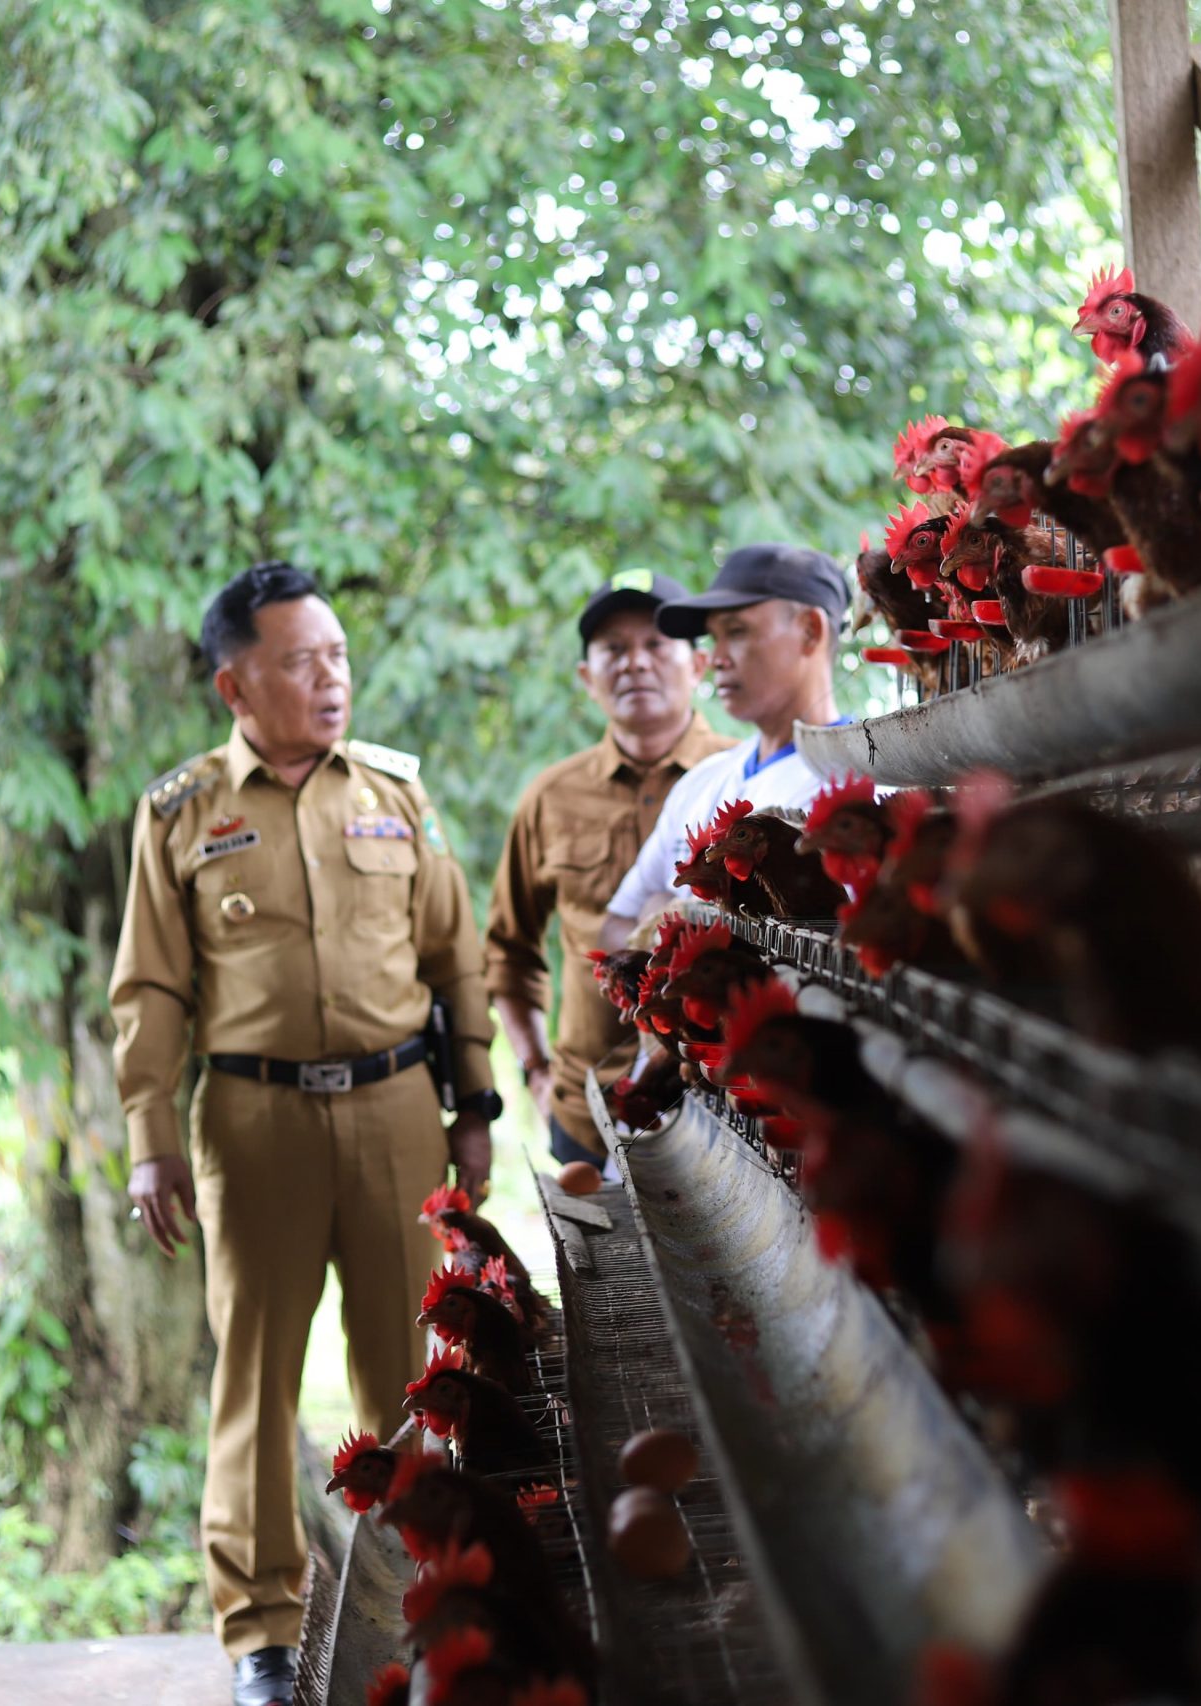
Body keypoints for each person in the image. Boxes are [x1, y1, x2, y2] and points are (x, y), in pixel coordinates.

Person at [107, 562, 503, 1706]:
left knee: (411, 1375)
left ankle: (419, 1596)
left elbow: (451, 957)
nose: (330, 678)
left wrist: (471, 1104)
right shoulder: (180, 810)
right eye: (299, 660)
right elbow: (151, 991)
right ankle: (262, 1634)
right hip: (252, 1120)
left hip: (395, 1111)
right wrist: (149, 1133)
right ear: (236, 683)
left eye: (336, 655)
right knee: (257, 1382)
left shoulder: (393, 793)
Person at [485, 576, 735, 1167]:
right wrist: (536, 1072)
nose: (635, 664)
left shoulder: (739, 780)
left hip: (720, 1116)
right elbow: (508, 952)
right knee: (596, 1262)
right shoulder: (550, 797)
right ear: (586, 677)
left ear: (698, 664)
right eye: (613, 649)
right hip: (584, 1117)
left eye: (655, 644)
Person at [600, 543, 855, 947]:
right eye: (712, 638)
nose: (715, 657)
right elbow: (616, 925)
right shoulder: (703, 780)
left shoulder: (865, 788)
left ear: (810, 631)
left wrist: (670, 913)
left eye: (736, 632)